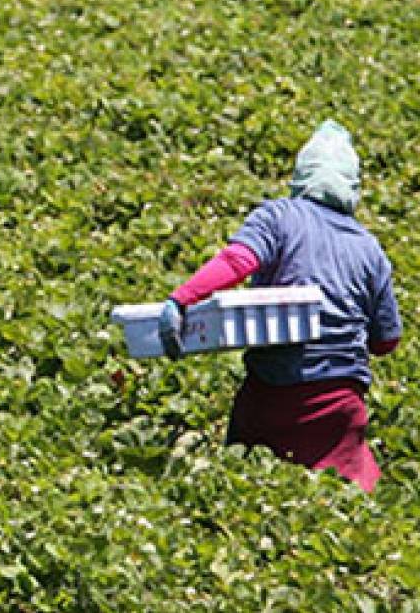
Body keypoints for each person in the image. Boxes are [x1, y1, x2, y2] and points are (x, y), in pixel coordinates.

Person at [161, 120, 402, 491]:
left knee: (249, 488)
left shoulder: (279, 216)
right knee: (344, 502)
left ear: (301, 176)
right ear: (352, 186)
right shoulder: (370, 248)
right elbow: (386, 341)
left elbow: (237, 261)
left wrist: (182, 299)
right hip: (341, 405)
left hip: (275, 398)